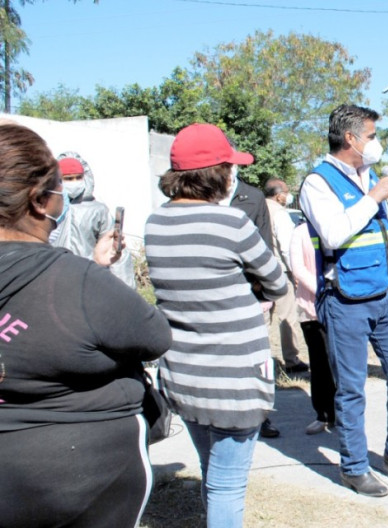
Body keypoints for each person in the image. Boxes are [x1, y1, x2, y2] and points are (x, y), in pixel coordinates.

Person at [0, 123, 172, 527]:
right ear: (40, 200)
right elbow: (154, 336)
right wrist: (92, 276)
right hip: (85, 479)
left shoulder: (77, 278)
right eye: (61, 185)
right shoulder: (75, 281)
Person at [145, 122, 288, 527]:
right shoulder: (232, 224)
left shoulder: (155, 224)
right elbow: (276, 282)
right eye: (230, 167)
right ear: (217, 174)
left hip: (184, 374)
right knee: (227, 486)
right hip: (235, 379)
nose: (233, 176)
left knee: (213, 473)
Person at [300, 104, 388, 498]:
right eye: (370, 136)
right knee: (351, 389)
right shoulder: (318, 182)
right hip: (345, 301)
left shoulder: (367, 176)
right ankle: (353, 467)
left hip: (386, 295)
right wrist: (372, 196)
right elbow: (334, 234)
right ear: (350, 139)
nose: (375, 143)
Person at [224, 165, 282, 439]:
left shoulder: (252, 196)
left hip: (250, 292)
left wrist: (263, 292)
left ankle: (262, 415)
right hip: (221, 295)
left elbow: (265, 244)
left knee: (257, 356)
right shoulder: (205, 195)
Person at [51, 152, 136, 288]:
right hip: (54, 280)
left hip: (89, 280)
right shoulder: (50, 209)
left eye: (78, 177)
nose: (74, 183)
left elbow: (114, 250)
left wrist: (125, 290)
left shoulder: (97, 210)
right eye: (68, 178)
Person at [289, 220, 336, 435]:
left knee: (341, 364)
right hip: (312, 307)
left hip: (341, 304)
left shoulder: (335, 226)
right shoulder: (300, 232)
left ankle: (344, 415)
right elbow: (297, 267)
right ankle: (323, 414)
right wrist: (320, 290)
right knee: (319, 363)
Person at [264, 178, 310, 378]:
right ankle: (292, 360)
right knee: (287, 317)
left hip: (261, 270)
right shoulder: (280, 214)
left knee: (263, 319)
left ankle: (262, 362)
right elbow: (286, 246)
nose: (288, 196)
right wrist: (296, 272)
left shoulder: (259, 208)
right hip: (281, 271)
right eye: (286, 192)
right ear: (279, 195)